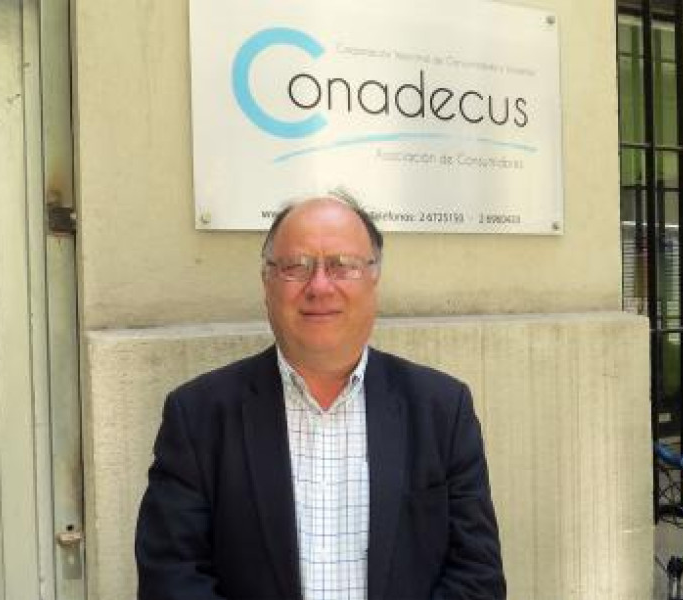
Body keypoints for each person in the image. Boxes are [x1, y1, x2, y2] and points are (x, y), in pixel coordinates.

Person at [135, 193, 506, 600]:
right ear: (267, 282)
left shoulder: (442, 410)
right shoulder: (198, 416)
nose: (320, 286)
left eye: (342, 265)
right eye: (296, 266)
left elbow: (477, 575)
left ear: (374, 279)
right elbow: (171, 579)